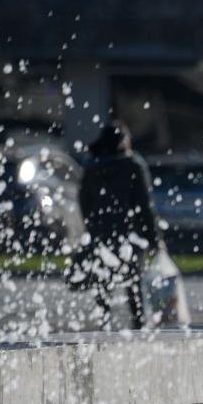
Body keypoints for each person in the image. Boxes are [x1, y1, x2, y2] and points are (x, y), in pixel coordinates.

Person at [77, 120, 161, 329]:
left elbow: (84, 201)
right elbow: (143, 205)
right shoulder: (132, 164)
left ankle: (104, 325)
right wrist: (154, 238)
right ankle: (139, 326)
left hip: (100, 234)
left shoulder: (92, 165)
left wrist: (91, 226)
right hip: (129, 234)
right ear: (123, 141)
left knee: (102, 283)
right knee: (134, 283)